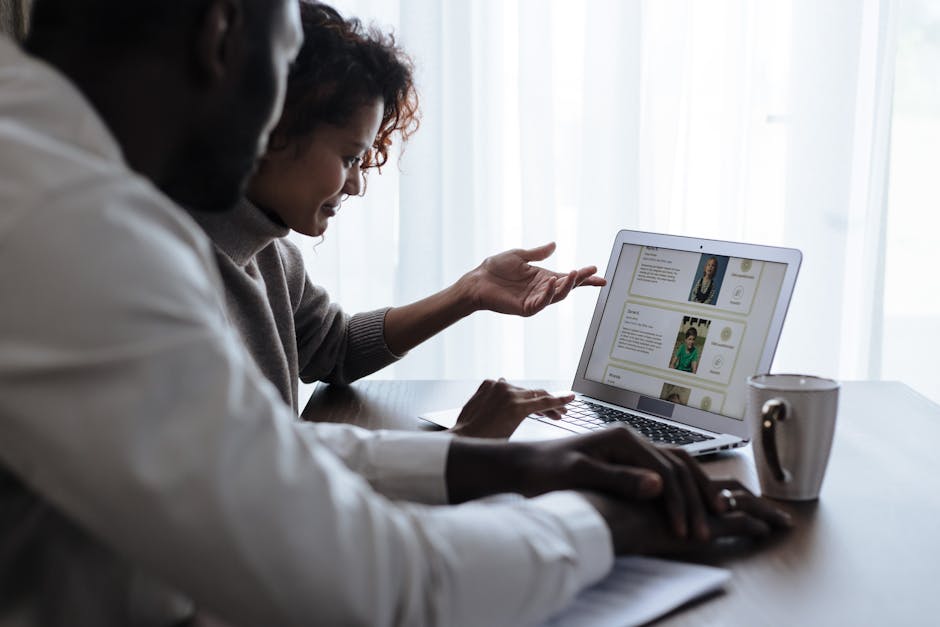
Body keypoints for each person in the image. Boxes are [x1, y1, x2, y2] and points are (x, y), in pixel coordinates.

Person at [0, 2, 791, 626]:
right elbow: (382, 586)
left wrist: (519, 464)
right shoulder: (73, 225)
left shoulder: (49, 170)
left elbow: (254, 449)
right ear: (219, 30)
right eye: (281, 66)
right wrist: (602, 519)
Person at [188, 1, 602, 437]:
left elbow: (336, 347)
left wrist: (470, 291)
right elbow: (244, 470)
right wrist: (459, 448)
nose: (355, 185)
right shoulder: (174, 264)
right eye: (349, 157)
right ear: (273, 125)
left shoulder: (273, 257)